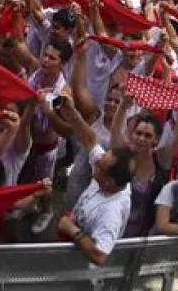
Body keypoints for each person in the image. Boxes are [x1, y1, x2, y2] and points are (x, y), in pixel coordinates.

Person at [53, 95, 136, 266]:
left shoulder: (111, 212)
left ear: (109, 182)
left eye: (101, 164)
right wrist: (72, 112)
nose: (97, 160)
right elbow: (90, 139)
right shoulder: (107, 171)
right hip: (68, 253)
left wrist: (72, 230)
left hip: (83, 270)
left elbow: (100, 256)